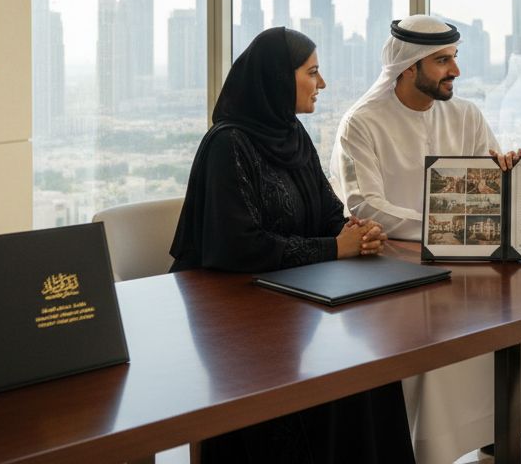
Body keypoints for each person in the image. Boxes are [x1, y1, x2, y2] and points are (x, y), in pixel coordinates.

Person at [168, 26, 414, 464]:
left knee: (371, 368)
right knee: (335, 384)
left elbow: (324, 212)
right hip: (235, 323)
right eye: (312, 72)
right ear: (278, 78)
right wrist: (336, 248)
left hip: (296, 305)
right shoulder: (228, 145)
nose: (322, 84)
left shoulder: (293, 135)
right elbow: (239, 248)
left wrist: (356, 230)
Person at [331, 14, 521, 464]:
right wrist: (442, 229)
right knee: (437, 329)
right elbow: (363, 205)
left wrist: (507, 173)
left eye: (454, 58)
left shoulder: (466, 114)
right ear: (408, 67)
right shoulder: (361, 123)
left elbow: (489, 189)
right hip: (392, 264)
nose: (455, 70)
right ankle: (435, 446)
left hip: (468, 256)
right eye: (442, 61)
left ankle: (502, 432)